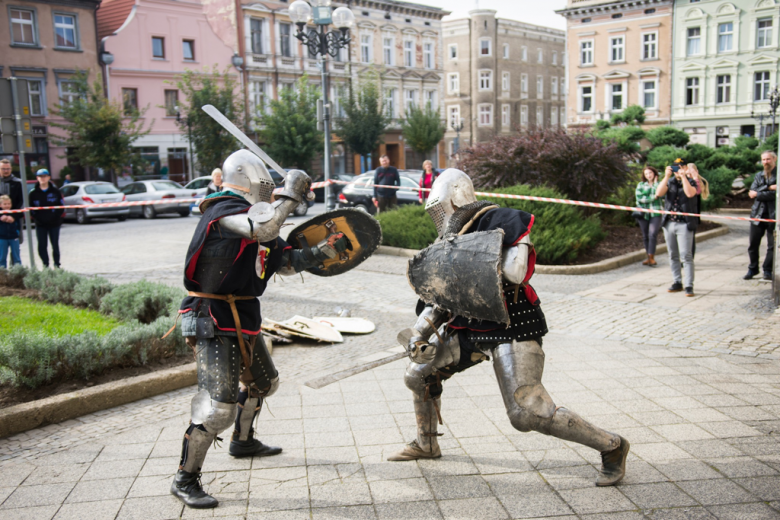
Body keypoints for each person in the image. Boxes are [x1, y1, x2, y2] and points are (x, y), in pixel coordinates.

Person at [388, 169, 630, 488]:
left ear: (457, 197)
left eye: (440, 206)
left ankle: (612, 446)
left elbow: (515, 273)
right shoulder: (448, 238)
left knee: (526, 412)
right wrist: (419, 334)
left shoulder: (503, 220)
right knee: (418, 374)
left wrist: (469, 262)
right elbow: (441, 296)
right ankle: (427, 443)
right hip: (468, 323)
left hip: (511, 320)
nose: (438, 214)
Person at [171, 150, 350, 509]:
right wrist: (291, 194)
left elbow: (284, 262)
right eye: (269, 188)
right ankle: (184, 478)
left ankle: (243, 440)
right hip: (211, 315)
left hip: (243, 315)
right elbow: (264, 227)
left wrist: (325, 251)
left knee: (264, 384)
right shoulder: (222, 212)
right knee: (217, 408)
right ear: (254, 183)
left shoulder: (258, 221)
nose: (271, 192)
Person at [657, 159, 699, 297]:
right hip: (669, 223)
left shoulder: (692, 181)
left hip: (685, 224)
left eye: (681, 167)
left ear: (686, 168)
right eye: (675, 167)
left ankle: (689, 285)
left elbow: (690, 194)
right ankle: (677, 281)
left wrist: (684, 177)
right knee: (673, 255)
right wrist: (667, 176)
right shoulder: (670, 182)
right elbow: (659, 193)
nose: (678, 169)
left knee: (686, 255)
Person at [745, 150, 777, 281]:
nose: (765, 162)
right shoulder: (759, 175)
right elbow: (751, 193)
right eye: (763, 159)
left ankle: (767, 270)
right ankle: (753, 268)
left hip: (773, 215)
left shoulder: (779, 175)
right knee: (753, 244)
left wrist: (759, 192)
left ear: (774, 160)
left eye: (768, 159)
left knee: (772, 246)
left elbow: (776, 195)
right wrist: (769, 188)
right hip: (757, 214)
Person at [29, 169, 65, 269]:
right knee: (42, 246)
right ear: (37, 178)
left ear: (49, 177)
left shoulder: (55, 191)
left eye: (45, 176)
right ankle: (45, 265)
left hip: (54, 224)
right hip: (40, 224)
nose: (43, 178)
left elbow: (61, 206)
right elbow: (31, 209)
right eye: (40, 176)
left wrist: (55, 217)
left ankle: (57, 265)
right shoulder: (33, 193)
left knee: (55, 245)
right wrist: (38, 219)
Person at [635, 166, 663, 266]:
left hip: (656, 212)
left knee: (653, 234)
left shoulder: (659, 184)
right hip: (643, 214)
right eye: (646, 174)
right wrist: (653, 197)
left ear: (654, 173)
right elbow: (640, 198)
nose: (648, 175)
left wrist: (655, 186)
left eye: (650, 173)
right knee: (645, 235)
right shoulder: (641, 185)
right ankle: (648, 257)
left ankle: (652, 257)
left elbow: (660, 195)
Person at [0, 195, 21, 268]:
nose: (7, 205)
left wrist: (17, 232)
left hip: (14, 237)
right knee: (2, 258)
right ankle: (2, 274)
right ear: (0, 205)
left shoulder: (14, 213)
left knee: (16, 258)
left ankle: (18, 273)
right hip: (2, 238)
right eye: (5, 204)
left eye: (9, 204)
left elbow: (19, 224)